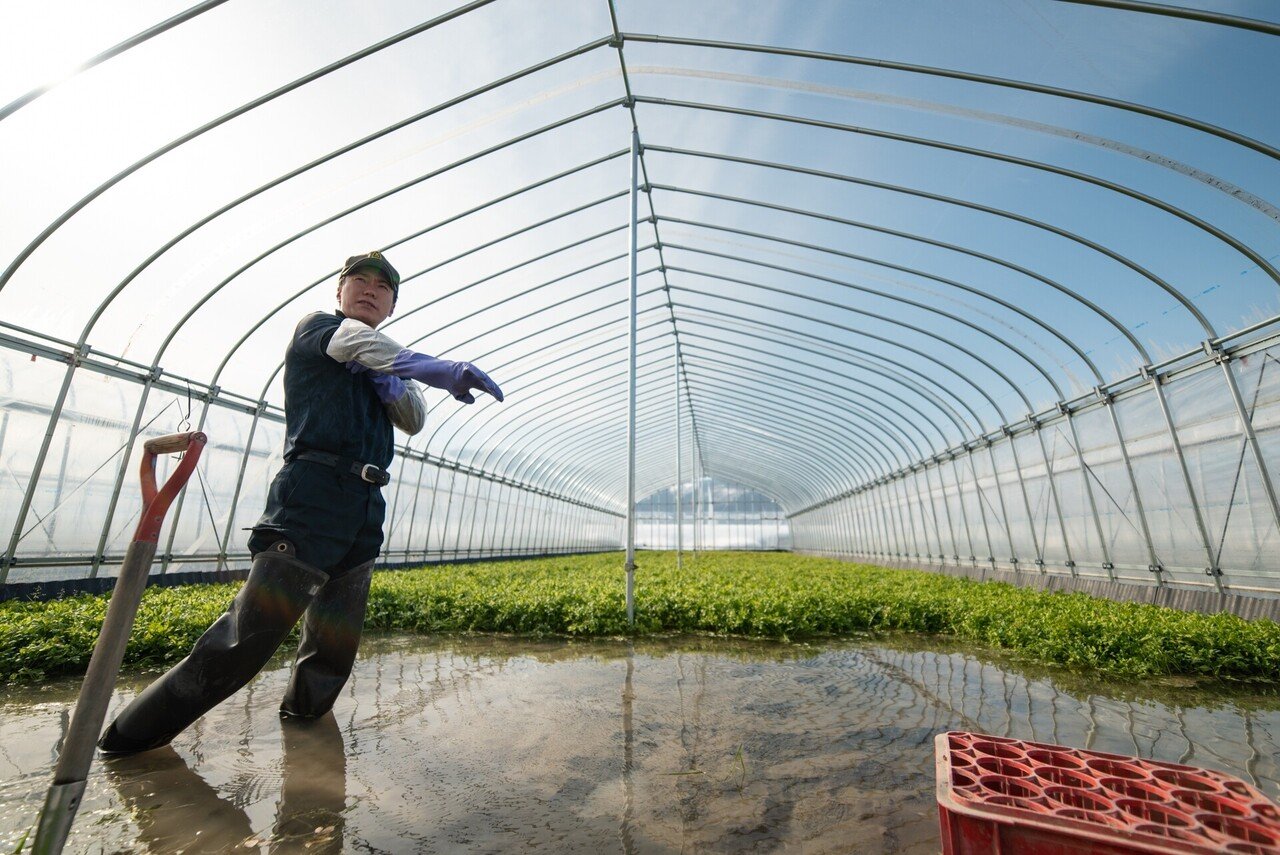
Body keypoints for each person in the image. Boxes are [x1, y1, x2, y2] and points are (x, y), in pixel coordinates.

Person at [98, 251, 503, 754]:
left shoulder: (382, 362)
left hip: (365, 504)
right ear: (340, 291)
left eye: (384, 287)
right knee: (248, 637)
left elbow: (413, 416)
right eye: (360, 280)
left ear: (393, 305)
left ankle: (306, 730)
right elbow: (357, 343)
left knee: (335, 642)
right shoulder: (319, 327)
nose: (371, 289)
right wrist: (436, 367)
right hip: (312, 496)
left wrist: (389, 377)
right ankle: (127, 738)